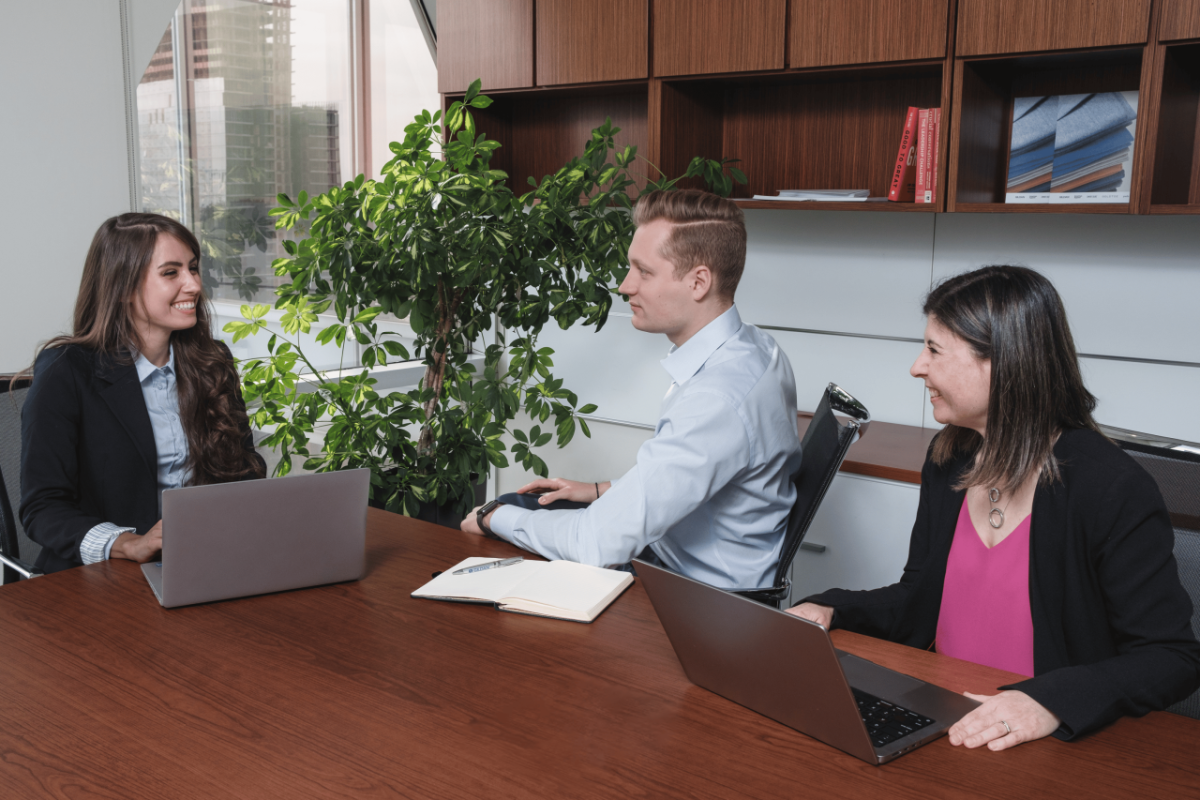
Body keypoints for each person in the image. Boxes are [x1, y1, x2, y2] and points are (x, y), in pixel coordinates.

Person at [788, 265, 1200, 749]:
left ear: (1003, 363)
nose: (917, 366)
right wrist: (830, 607)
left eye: (935, 350)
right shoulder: (949, 457)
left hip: (1040, 738)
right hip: (941, 717)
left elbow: (1172, 656)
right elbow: (920, 598)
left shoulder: (1110, 487)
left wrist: (1046, 701)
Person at [461, 190, 803, 590]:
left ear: (699, 282)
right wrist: (601, 491)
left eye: (644, 272)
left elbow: (594, 545)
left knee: (495, 534)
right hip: (681, 558)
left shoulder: (717, 398)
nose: (625, 287)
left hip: (692, 598)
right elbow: (693, 475)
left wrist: (492, 515)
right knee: (529, 514)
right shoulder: (758, 349)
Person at [19, 213, 265, 574]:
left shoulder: (212, 362)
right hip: (99, 580)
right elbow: (43, 507)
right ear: (123, 287)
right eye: (171, 273)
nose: (194, 285)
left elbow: (245, 470)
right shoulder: (66, 370)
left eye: (193, 269)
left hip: (201, 563)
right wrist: (128, 543)